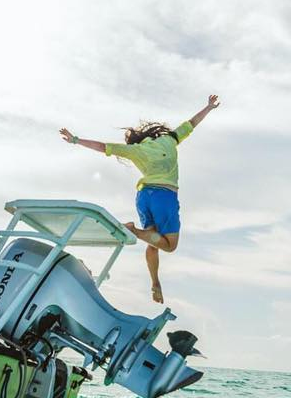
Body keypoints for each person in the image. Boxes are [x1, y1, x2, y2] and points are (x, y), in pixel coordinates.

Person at [60, 95, 220, 303]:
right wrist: (208, 107)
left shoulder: (135, 150)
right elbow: (192, 123)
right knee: (170, 245)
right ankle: (132, 230)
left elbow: (102, 146)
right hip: (164, 196)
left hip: (143, 196)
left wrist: (75, 140)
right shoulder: (169, 139)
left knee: (152, 240)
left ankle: (154, 282)